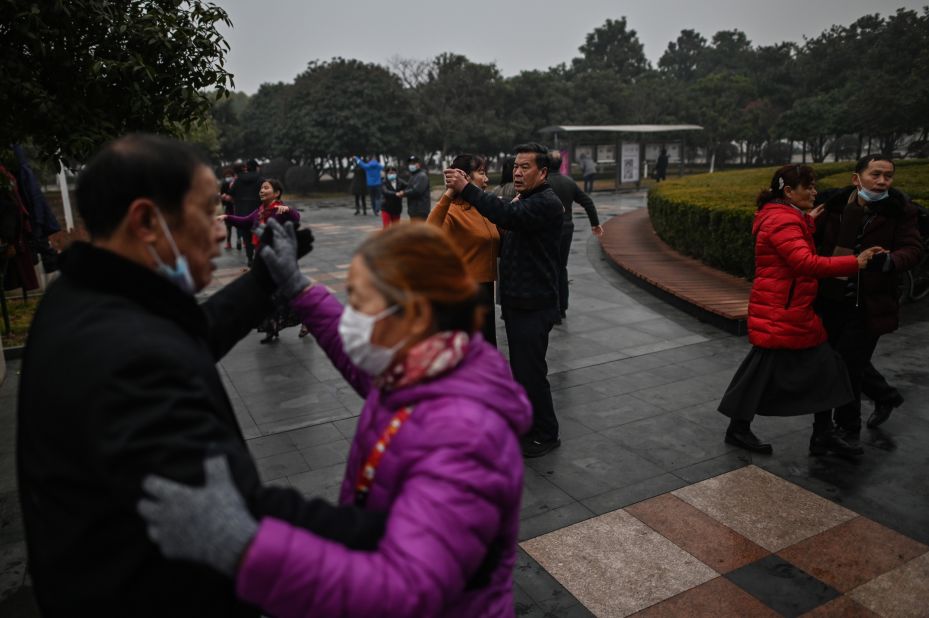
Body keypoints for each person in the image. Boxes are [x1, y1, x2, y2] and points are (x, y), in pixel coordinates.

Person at [15, 134, 385, 617]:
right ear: (147, 221)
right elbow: (235, 512)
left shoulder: (90, 299)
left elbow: (186, 341)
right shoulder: (122, 354)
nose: (219, 232)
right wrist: (400, 536)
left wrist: (264, 283)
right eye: (208, 211)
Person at [137, 222, 532, 618]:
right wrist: (299, 288)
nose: (351, 318)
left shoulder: (465, 437)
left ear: (413, 314)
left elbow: (401, 592)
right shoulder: (418, 368)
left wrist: (245, 548)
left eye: (360, 304)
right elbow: (358, 363)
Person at [719, 165, 883, 456]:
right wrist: (854, 263)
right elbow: (805, 263)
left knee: (821, 368)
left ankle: (818, 433)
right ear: (788, 192)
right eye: (807, 187)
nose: (814, 192)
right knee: (783, 370)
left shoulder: (782, 216)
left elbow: (788, 251)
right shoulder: (784, 221)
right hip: (783, 310)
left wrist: (805, 222)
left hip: (785, 307)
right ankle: (742, 429)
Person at [444, 143, 563, 458]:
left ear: (543, 172)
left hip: (534, 303)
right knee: (523, 371)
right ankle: (530, 425)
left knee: (531, 372)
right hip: (518, 302)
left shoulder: (545, 202)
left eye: (526, 167)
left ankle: (546, 433)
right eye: (516, 166)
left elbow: (506, 215)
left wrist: (467, 189)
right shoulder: (526, 198)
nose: (518, 172)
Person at [814, 154, 923, 441]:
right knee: (839, 359)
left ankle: (847, 428)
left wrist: (890, 260)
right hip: (830, 297)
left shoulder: (900, 211)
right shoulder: (834, 206)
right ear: (856, 178)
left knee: (847, 366)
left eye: (887, 176)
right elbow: (810, 238)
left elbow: (912, 248)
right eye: (875, 174)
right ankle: (885, 396)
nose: (881, 181)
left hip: (870, 303)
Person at [428, 154, 501, 345]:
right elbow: (430, 233)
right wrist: (450, 192)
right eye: (481, 172)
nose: (486, 178)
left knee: (487, 346)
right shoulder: (453, 210)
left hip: (486, 288)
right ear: (466, 177)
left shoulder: (484, 207)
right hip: (465, 293)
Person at [220, 178, 302, 342]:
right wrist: (226, 217)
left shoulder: (279, 209)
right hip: (263, 255)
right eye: (261, 188)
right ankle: (271, 327)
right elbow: (244, 222)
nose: (261, 191)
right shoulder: (259, 212)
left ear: (276, 193)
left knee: (279, 293)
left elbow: (296, 216)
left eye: (266, 188)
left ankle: (303, 319)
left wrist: (285, 209)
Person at [547, 151, 603, 322]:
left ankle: (554, 309)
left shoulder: (543, 183)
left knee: (550, 268)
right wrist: (595, 224)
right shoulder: (569, 182)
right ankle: (562, 307)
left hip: (548, 230)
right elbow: (587, 202)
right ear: (561, 163)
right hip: (567, 228)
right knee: (561, 267)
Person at [230, 158, 262, 265]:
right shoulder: (261, 179)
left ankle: (249, 259)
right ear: (256, 167)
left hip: (242, 213)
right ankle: (258, 257)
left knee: (246, 237)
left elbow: (231, 193)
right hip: (257, 212)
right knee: (258, 235)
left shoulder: (238, 180)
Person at [398, 155, 431, 220]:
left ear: (419, 164)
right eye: (410, 163)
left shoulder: (422, 176)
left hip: (420, 210)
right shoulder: (414, 175)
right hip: (414, 209)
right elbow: (410, 186)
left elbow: (417, 190)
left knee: (420, 229)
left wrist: (403, 193)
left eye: (413, 163)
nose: (411, 165)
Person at [219, 165, 237, 250]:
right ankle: (229, 243)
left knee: (239, 225)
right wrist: (223, 198)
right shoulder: (224, 184)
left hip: (235, 207)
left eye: (229, 176)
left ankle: (241, 241)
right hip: (228, 207)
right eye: (227, 176)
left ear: (233, 176)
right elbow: (221, 195)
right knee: (228, 226)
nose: (228, 177)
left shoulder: (236, 183)